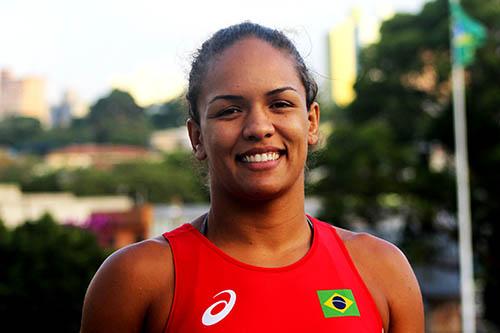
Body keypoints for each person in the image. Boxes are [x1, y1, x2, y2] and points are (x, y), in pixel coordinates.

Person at [80, 22, 424, 332]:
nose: (259, 127)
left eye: (280, 104)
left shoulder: (381, 270)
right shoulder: (139, 278)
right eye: (230, 110)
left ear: (312, 122)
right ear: (197, 137)